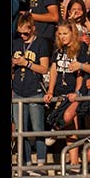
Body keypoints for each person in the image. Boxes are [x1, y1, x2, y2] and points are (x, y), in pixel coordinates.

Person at [13, 15, 53, 169]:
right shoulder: (16, 43)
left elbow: (44, 68)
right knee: (21, 129)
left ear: (33, 29)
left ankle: (41, 164)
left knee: (37, 128)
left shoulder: (41, 43)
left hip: (35, 90)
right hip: (18, 90)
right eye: (20, 33)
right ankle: (26, 163)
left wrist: (27, 63)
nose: (22, 36)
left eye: (26, 33)